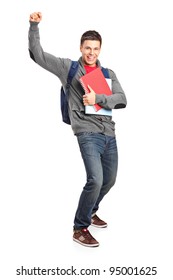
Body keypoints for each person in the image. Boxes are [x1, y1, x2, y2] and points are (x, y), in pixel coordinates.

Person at [28, 12, 127, 247]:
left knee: (109, 180)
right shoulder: (68, 68)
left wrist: (99, 97)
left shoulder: (107, 74)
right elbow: (37, 55)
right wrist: (34, 26)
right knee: (95, 179)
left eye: (95, 49)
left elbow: (122, 99)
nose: (91, 53)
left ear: (100, 50)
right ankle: (79, 227)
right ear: (81, 48)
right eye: (87, 48)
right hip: (86, 133)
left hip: (109, 134)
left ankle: (91, 210)